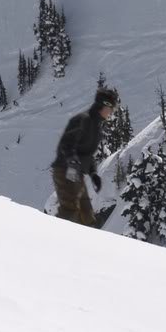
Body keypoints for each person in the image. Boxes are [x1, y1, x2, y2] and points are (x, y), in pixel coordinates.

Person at [51, 86, 118, 227]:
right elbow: (66, 144)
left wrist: (93, 174)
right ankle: (51, 241)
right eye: (111, 108)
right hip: (65, 170)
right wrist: (72, 162)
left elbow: (87, 154)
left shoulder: (96, 127)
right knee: (69, 211)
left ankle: (84, 247)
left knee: (86, 215)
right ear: (103, 105)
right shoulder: (83, 120)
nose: (111, 112)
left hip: (77, 173)